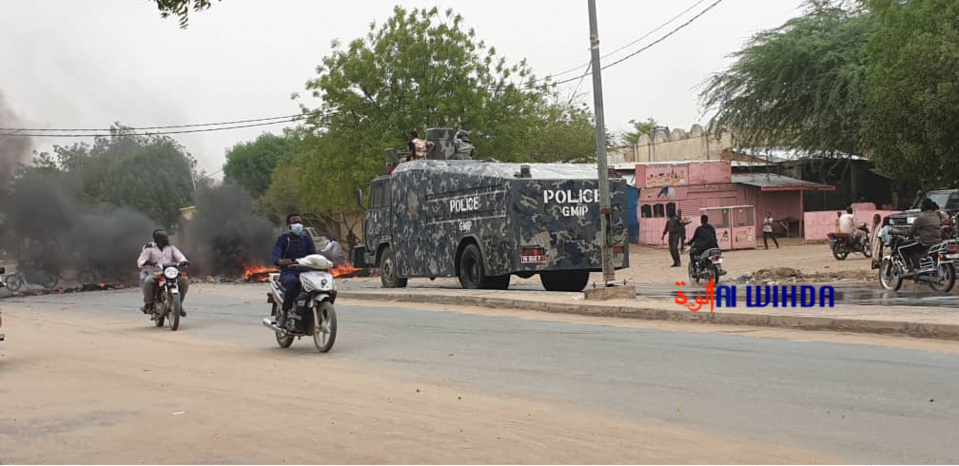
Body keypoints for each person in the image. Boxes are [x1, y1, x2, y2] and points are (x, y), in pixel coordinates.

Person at [271, 213, 318, 329]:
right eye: (295, 223)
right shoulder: (283, 239)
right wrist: (281, 261)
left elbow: (314, 255)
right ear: (289, 225)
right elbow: (276, 255)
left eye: (300, 223)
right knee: (292, 283)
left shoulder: (307, 239)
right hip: (289, 272)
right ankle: (285, 315)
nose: (298, 225)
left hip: (306, 272)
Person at [137, 229, 190, 316]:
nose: (167, 239)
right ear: (157, 239)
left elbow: (180, 256)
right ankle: (149, 304)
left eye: (166, 237)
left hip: (170, 272)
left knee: (184, 280)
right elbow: (141, 261)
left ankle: (179, 305)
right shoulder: (149, 249)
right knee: (148, 281)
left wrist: (184, 261)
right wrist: (146, 262)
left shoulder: (171, 247)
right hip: (155, 273)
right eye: (164, 238)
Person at [894, 198, 941, 271]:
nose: (920, 207)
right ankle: (916, 264)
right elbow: (929, 228)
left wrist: (897, 232)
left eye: (922, 205)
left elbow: (910, 232)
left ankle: (910, 268)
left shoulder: (921, 217)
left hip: (925, 242)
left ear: (925, 206)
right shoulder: (936, 216)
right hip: (937, 242)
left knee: (901, 248)